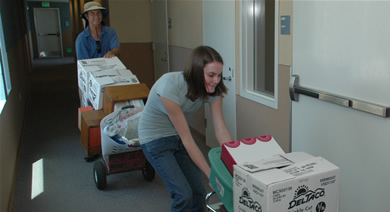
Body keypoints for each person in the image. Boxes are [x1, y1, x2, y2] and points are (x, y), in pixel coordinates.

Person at [138, 46, 233, 212]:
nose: (216, 80)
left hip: (176, 136)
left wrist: (236, 164)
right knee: (183, 195)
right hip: (154, 139)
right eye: (211, 75)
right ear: (196, 72)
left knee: (198, 192)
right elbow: (188, 140)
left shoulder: (213, 90)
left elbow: (221, 131)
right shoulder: (170, 86)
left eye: (219, 75)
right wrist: (211, 174)